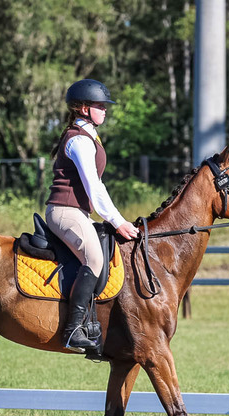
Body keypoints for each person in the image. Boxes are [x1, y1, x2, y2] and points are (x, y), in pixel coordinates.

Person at [46, 79, 140, 353]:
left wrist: (116, 218)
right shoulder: (79, 140)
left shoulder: (88, 137)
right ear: (83, 108)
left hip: (77, 212)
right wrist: (117, 221)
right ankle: (74, 328)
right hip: (65, 211)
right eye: (100, 106)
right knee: (95, 258)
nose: (105, 110)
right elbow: (93, 187)